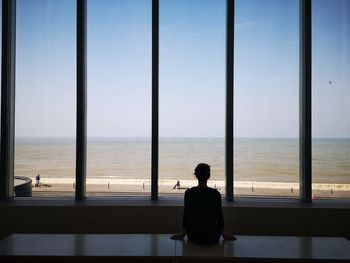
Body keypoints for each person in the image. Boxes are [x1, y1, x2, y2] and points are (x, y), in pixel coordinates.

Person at [171, 163, 236, 244]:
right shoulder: (215, 194)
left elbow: (186, 214)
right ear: (208, 176)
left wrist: (183, 234)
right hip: (212, 236)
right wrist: (224, 234)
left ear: (196, 175)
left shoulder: (189, 193)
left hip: (194, 235)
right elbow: (219, 215)